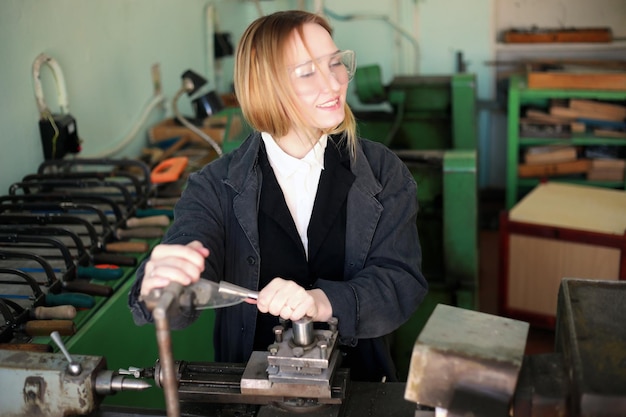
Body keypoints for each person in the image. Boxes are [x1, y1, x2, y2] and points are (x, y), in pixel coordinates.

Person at [128, 9, 427, 382]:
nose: (334, 84)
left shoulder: (382, 171)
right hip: (250, 391)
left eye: (336, 63)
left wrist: (321, 301)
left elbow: (401, 281)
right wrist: (165, 283)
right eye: (307, 72)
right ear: (265, 85)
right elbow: (182, 283)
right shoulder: (215, 186)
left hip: (361, 385)